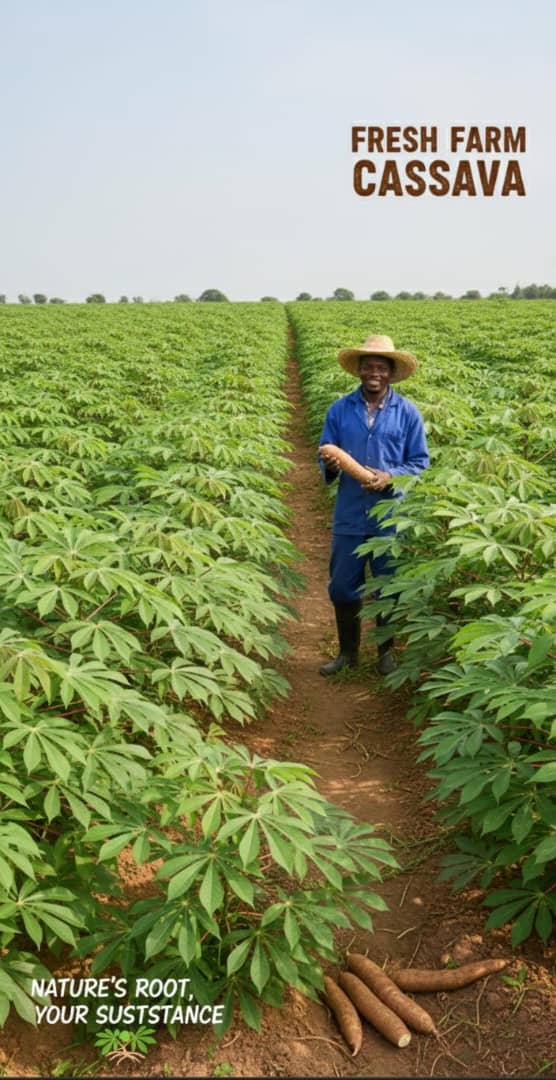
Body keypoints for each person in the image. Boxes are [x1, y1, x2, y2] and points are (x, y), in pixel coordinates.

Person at [318, 333, 429, 676]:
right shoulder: (339, 410)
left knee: (387, 586)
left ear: (391, 373)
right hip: (349, 513)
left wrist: (390, 476)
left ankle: (386, 654)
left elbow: (419, 463)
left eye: (381, 367)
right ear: (359, 370)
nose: (374, 373)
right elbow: (325, 451)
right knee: (342, 585)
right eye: (368, 367)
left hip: (389, 516)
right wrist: (332, 464)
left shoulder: (408, 413)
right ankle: (348, 654)